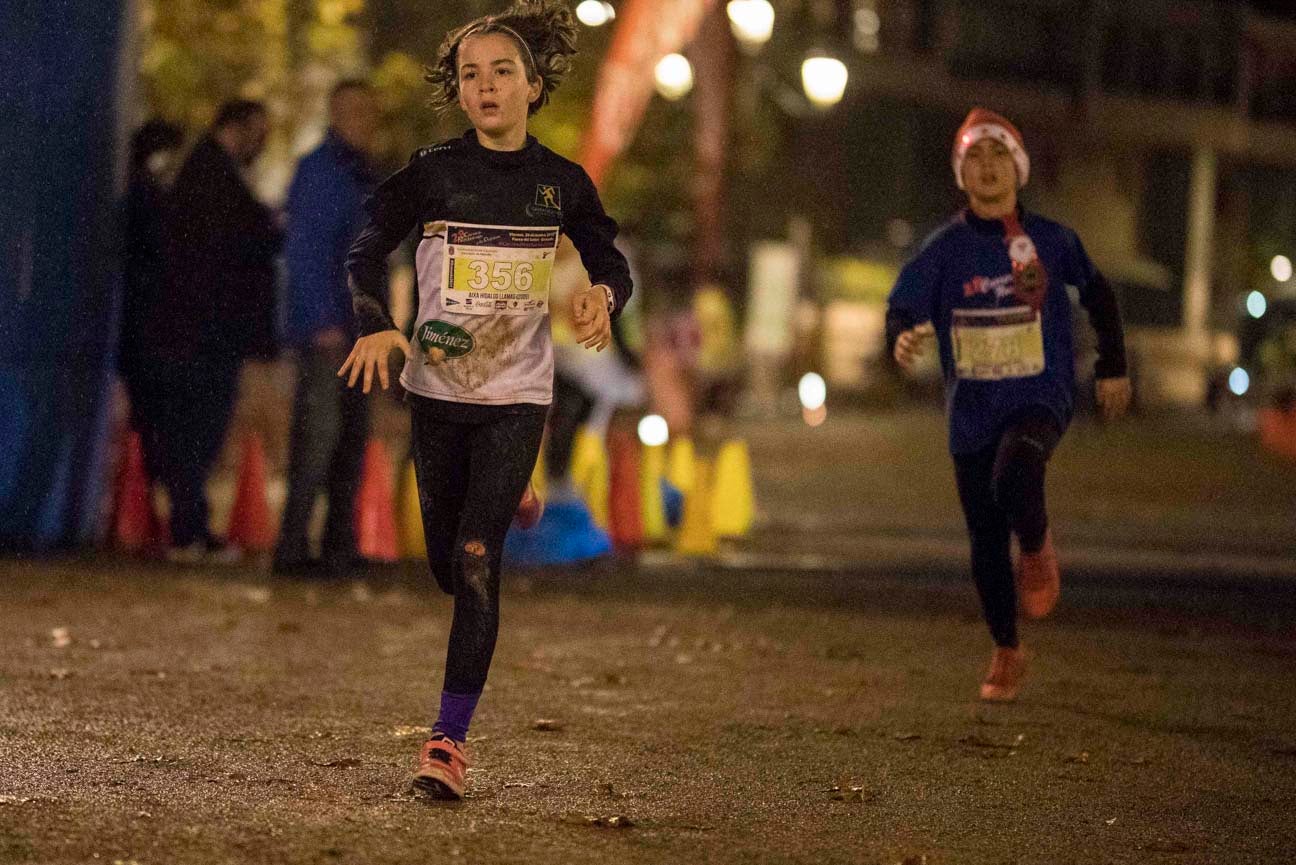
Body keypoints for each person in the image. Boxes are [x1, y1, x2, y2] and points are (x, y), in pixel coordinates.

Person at [339, 0, 632, 800]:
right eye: (471, 75)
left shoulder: (560, 183)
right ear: (460, 94)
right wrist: (377, 324)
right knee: (443, 562)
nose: (486, 85)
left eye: (503, 71)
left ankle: (447, 742)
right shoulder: (432, 172)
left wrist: (604, 295)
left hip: (516, 399)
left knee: (476, 561)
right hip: (436, 395)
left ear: (533, 87)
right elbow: (365, 251)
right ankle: (511, 497)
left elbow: (612, 260)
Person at [887, 107, 1132, 703]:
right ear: (960, 175)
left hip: (1040, 395)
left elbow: (1098, 295)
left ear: (1019, 170)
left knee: (1018, 471)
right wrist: (900, 337)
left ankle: (1039, 547)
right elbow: (901, 309)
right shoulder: (943, 250)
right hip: (972, 412)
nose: (988, 168)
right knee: (983, 539)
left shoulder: (1049, 241)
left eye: (1000, 156)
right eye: (975, 158)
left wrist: (1113, 367)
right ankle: (1006, 646)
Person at [142, 99, 282, 563]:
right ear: (236, 128)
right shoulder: (211, 177)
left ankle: (192, 527)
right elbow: (227, 252)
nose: (261, 143)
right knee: (195, 432)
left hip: (200, 332)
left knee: (196, 433)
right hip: (202, 334)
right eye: (257, 132)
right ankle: (188, 531)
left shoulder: (208, 173)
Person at [272, 81, 381, 577]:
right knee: (318, 438)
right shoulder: (322, 172)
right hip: (330, 331)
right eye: (355, 112)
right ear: (336, 114)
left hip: (357, 328)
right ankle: (294, 547)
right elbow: (308, 251)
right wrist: (319, 320)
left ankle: (339, 545)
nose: (365, 122)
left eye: (369, 113)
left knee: (351, 439)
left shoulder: (360, 174)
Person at [119, 119, 183, 487]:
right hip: (150, 327)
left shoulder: (141, 195)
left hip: (144, 326)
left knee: (147, 417)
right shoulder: (148, 199)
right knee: (152, 417)